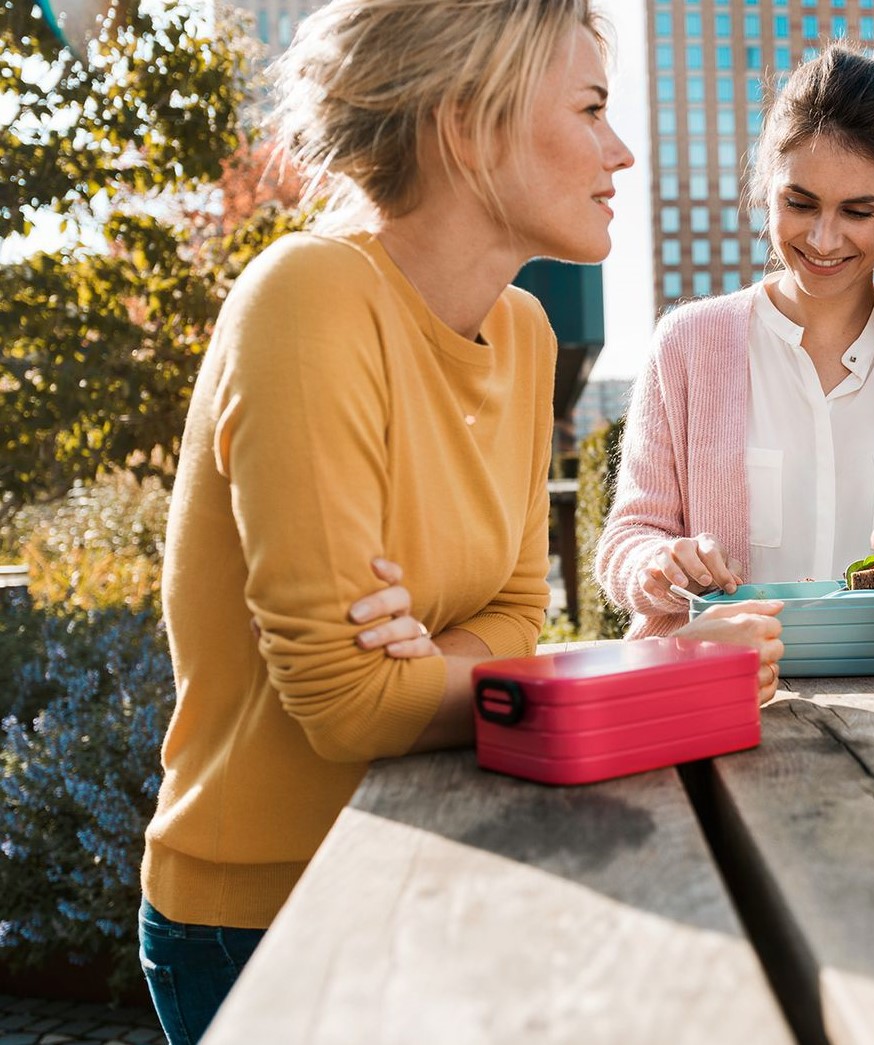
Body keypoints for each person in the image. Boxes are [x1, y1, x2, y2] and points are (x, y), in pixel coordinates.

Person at [140, 3, 783, 1041]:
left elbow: (520, 611)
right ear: (467, 125)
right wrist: (652, 672)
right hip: (263, 914)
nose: (620, 149)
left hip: (437, 859)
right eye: (589, 109)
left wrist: (430, 667)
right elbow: (348, 704)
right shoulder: (307, 297)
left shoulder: (524, 333)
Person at [596, 45, 874, 638]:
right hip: (728, 689)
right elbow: (627, 541)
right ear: (768, 187)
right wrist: (661, 565)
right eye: (800, 203)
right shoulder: (687, 345)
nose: (823, 238)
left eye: (858, 211)